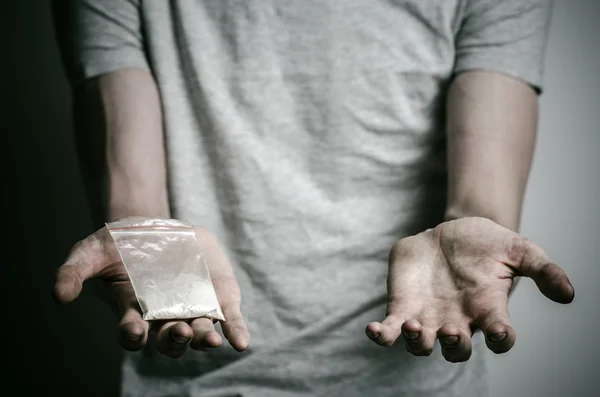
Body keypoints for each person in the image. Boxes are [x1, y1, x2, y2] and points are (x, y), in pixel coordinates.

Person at [51, 1, 574, 396]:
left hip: (416, 370)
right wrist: (150, 250)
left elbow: (482, 181)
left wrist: (477, 241)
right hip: (195, 368)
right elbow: (123, 143)